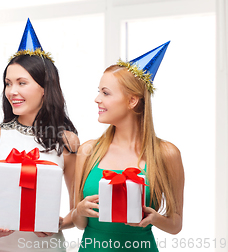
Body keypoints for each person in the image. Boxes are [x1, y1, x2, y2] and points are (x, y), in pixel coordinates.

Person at [0, 19, 79, 252]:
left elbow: (77, 210)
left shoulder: (67, 140)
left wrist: (59, 223)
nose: (12, 91)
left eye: (22, 83)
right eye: (8, 83)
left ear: (45, 88)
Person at [72, 41, 184, 251]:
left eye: (105, 93)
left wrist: (154, 218)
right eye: (99, 92)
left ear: (132, 101)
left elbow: (176, 224)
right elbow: (79, 224)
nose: (97, 99)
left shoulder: (166, 153)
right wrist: (79, 210)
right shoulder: (88, 151)